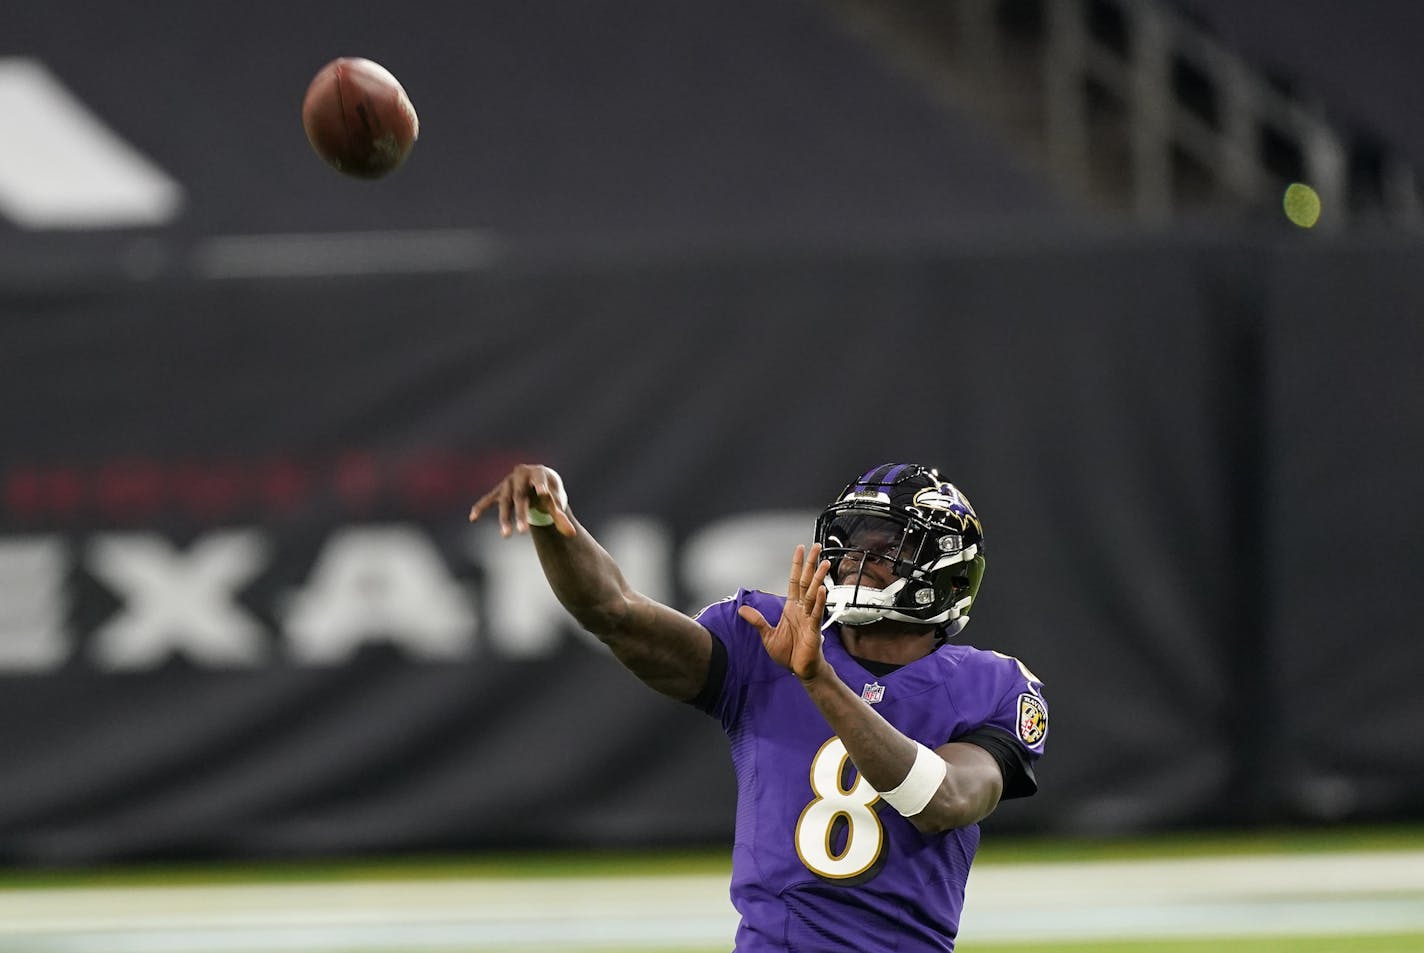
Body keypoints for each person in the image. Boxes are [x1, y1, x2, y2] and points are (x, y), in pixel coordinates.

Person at [469, 462, 1047, 952]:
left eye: (886, 544)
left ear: (945, 570)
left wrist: (819, 681)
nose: (855, 556)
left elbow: (940, 801)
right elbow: (616, 614)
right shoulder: (761, 633)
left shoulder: (991, 683)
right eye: (852, 536)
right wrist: (551, 522)